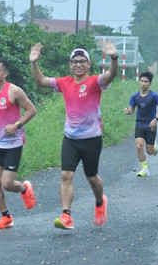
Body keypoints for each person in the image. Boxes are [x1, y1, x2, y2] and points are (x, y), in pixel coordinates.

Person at [30, 42, 118, 230]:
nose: (78, 64)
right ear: (70, 65)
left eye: (82, 61)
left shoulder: (95, 81)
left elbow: (110, 75)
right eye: (74, 62)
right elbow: (41, 81)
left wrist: (114, 58)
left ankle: (100, 202)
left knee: (92, 177)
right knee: (66, 174)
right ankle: (66, 216)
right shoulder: (64, 82)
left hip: (92, 139)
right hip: (70, 139)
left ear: (88, 65)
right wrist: (34, 63)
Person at [0, 55, 38, 229]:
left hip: (13, 143)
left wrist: (17, 125)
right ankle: (6, 217)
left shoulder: (14, 91)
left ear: (5, 73)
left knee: (7, 183)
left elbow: (31, 110)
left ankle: (25, 188)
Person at [124, 71, 158, 177]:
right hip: (139, 124)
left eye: (146, 82)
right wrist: (128, 111)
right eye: (142, 81)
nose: (143, 83)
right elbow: (131, 110)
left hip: (151, 125)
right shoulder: (135, 96)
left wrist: (155, 119)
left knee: (150, 151)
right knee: (139, 146)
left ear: (150, 83)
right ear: (139, 82)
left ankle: (154, 145)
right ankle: (144, 168)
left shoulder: (154, 96)